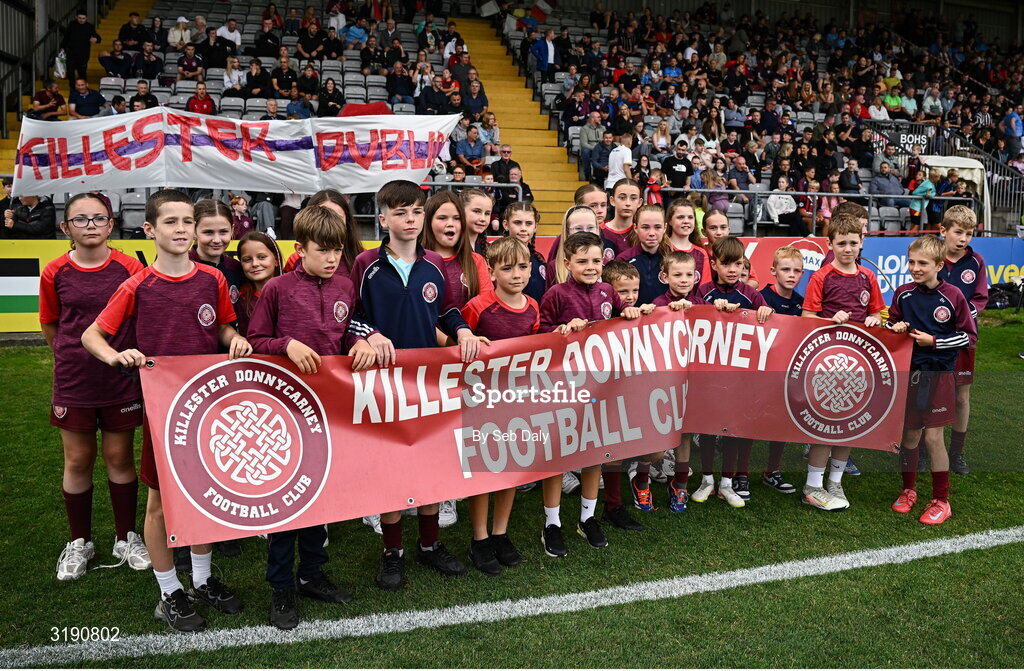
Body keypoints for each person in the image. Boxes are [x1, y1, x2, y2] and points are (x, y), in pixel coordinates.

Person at [81, 190, 250, 632]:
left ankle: (202, 579)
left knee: (206, 494)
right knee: (159, 502)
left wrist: (232, 339)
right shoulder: (137, 285)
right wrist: (117, 356)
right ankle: (169, 590)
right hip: (164, 411)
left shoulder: (211, 280)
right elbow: (92, 337)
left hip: (208, 406)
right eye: (170, 222)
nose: (181, 230)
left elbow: (224, 327)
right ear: (151, 230)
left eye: (186, 223)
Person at [247, 207, 379, 629]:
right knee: (286, 500)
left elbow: (353, 326)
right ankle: (281, 585)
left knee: (321, 494)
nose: (331, 259)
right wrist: (286, 344)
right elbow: (255, 340)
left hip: (330, 410)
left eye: (337, 251)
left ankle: (312, 573)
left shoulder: (345, 285)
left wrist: (362, 340)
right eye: (322, 251)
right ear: (299, 249)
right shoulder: (277, 290)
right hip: (284, 410)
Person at [350, 181, 483, 590]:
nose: (410, 220)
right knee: (391, 467)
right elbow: (349, 317)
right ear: (383, 218)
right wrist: (369, 334)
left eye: (416, 212)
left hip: (429, 382)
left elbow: (446, 310)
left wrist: (461, 332)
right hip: (382, 384)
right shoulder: (366, 265)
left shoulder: (434, 267)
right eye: (401, 212)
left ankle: (429, 544)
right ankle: (393, 551)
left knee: (430, 464)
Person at [39, 193, 149, 582]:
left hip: (119, 380)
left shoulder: (130, 267)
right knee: (78, 461)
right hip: (75, 380)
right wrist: (72, 357)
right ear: (65, 227)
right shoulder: (55, 271)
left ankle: (126, 537)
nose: (90, 225)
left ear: (111, 224)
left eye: (98, 218)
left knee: (119, 458)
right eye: (80, 219)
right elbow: (51, 324)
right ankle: (79, 542)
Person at [538, 231, 650, 557]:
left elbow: (621, 318)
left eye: (596, 260)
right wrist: (559, 330)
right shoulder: (556, 294)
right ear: (567, 262)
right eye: (582, 261)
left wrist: (628, 312)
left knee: (593, 452)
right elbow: (540, 332)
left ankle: (587, 518)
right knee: (557, 456)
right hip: (565, 386)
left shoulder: (608, 291)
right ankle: (552, 523)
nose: (590, 267)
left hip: (601, 385)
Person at [459, 236, 539, 575]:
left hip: (517, 400)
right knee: (485, 469)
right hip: (480, 401)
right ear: (491, 272)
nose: (516, 274)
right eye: (507, 268)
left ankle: (500, 533)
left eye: (523, 267)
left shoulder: (533, 306)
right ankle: (479, 538)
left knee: (511, 467)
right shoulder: (478, 306)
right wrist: (468, 339)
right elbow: (453, 341)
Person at [888, 235, 977, 526]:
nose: (915, 267)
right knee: (909, 436)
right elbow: (892, 324)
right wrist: (895, 326)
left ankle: (941, 499)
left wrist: (934, 342)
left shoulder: (953, 296)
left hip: (939, 375)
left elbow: (969, 336)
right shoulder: (903, 293)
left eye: (923, 263)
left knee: (933, 437)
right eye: (911, 261)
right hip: (911, 374)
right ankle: (908, 490)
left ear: (939, 265)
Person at [800, 214, 884, 511]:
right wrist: (829, 319)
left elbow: (879, 313)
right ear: (830, 244)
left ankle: (835, 481)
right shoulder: (821, 277)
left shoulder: (868, 277)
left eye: (853, 243)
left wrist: (875, 318)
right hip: (827, 361)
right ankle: (812, 485)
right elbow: (806, 319)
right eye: (842, 243)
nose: (848, 248)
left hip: (859, 362)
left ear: (862, 243)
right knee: (826, 425)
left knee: (849, 425)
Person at [692, 237, 774, 506]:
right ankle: (706, 480)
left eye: (738, 264)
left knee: (731, 428)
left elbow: (768, 322)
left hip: (740, 376)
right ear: (714, 264)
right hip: (708, 375)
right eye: (726, 264)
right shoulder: (702, 291)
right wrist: (708, 311)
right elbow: (689, 318)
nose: (732, 270)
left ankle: (727, 483)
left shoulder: (750, 295)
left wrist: (765, 309)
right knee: (706, 427)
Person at [937, 206, 988, 476]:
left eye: (969, 234)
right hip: (931, 340)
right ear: (943, 230)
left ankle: (957, 452)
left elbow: (980, 298)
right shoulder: (931, 257)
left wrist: (960, 318)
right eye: (958, 232)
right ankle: (923, 448)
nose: (963, 239)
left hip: (962, 340)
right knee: (927, 392)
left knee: (961, 396)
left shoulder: (976, 262)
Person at [758, 246, 803, 495]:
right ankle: (740, 475)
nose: (791, 275)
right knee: (750, 421)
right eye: (786, 269)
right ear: (774, 270)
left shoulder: (801, 303)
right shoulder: (761, 297)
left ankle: (772, 470)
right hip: (760, 372)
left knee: (783, 423)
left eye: (797, 271)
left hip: (786, 373)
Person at [615, 205, 671, 305]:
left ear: (665, 228)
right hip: (634, 318)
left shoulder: (672, 259)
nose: (652, 233)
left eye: (657, 227)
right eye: (645, 227)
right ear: (635, 228)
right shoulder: (624, 259)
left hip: (665, 318)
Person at [501, 202, 547, 303]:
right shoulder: (496, 256)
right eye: (517, 223)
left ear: (535, 227)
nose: (523, 228)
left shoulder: (538, 258)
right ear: (506, 224)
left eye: (529, 223)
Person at [603, 179, 643, 257]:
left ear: (640, 202)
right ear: (612, 200)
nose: (628, 203)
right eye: (622, 198)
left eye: (633, 198)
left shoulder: (643, 232)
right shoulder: (599, 231)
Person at [61, 9, 101, 82]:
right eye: (79, 18)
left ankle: (82, 88)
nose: (81, 20)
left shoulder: (89, 26)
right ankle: (72, 88)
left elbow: (98, 38)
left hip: (83, 53)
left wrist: (96, 39)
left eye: (83, 18)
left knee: (82, 72)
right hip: (71, 52)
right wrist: (62, 47)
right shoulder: (72, 25)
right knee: (70, 72)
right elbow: (66, 37)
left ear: (86, 18)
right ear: (76, 17)